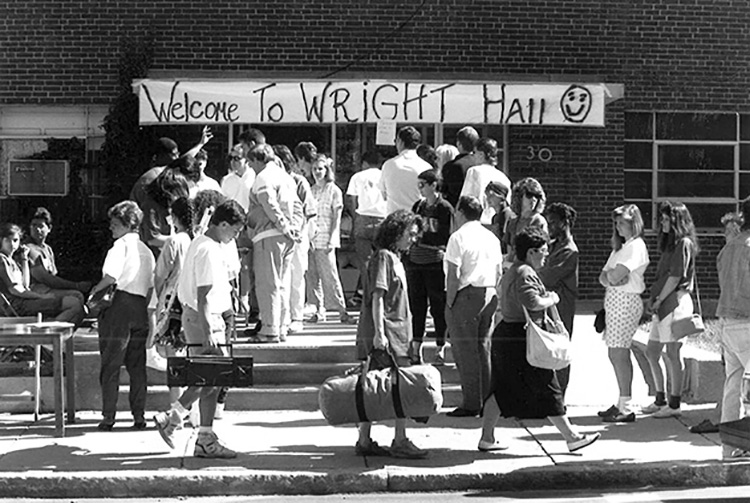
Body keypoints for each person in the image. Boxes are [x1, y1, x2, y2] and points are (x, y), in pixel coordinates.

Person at [479, 228, 600, 453]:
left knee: (502, 389)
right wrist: (552, 298)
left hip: (508, 335)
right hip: (521, 337)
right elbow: (532, 302)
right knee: (548, 385)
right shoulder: (524, 272)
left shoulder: (513, 270)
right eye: (543, 252)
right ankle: (572, 437)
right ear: (532, 252)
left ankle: (487, 438)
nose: (545, 257)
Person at [153, 200, 245, 459]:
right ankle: (174, 418)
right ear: (223, 224)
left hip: (203, 318)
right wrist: (207, 332)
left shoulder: (203, 244)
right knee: (212, 376)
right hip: (206, 320)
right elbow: (203, 296)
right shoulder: (207, 249)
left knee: (212, 379)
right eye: (234, 231)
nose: (235, 236)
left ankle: (202, 435)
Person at [355, 209, 427, 459]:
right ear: (397, 232)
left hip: (399, 332)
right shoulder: (383, 258)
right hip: (388, 333)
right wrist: (378, 333)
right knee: (395, 387)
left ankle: (365, 438)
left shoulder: (395, 259)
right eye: (411, 234)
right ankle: (399, 439)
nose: (413, 239)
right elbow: (377, 296)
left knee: (379, 386)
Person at [89, 201, 155, 431]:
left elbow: (110, 276)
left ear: (127, 224)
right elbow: (151, 284)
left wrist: (95, 292)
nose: (111, 228)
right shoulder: (147, 251)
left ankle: (109, 416)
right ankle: (139, 415)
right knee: (137, 366)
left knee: (111, 364)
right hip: (140, 306)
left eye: (115, 224)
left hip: (119, 307)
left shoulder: (119, 247)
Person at [444, 196, 502, 417]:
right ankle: (486, 400)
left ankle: (471, 403)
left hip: (466, 294)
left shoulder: (457, 237)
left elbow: (453, 274)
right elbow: (498, 272)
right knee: (483, 349)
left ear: (460, 212)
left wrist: (450, 302)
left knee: (465, 351)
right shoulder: (491, 237)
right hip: (489, 292)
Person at [641, 202, 698, 420]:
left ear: (677, 221)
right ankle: (660, 398)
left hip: (675, 302)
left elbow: (675, 277)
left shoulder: (683, 243)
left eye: (666, 219)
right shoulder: (669, 245)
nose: (662, 223)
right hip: (663, 302)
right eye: (662, 219)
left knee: (673, 353)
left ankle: (675, 403)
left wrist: (659, 300)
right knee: (652, 351)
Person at [597, 204, 650, 423]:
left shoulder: (636, 246)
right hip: (615, 301)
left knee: (619, 352)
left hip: (626, 302)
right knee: (614, 352)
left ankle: (626, 406)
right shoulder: (620, 247)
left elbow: (615, 275)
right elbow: (604, 277)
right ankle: (621, 401)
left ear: (633, 223)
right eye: (616, 223)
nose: (618, 227)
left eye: (623, 222)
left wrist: (613, 276)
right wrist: (613, 277)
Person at [245, 144, 300, 343]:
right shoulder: (286, 177)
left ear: (258, 160)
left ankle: (269, 331)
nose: (251, 167)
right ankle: (281, 327)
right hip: (287, 237)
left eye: (251, 162)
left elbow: (268, 202)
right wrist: (293, 228)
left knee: (268, 284)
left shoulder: (263, 177)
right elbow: (297, 205)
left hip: (268, 235)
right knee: (282, 284)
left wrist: (283, 225)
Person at [405, 169, 453, 365]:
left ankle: (440, 347)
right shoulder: (418, 206)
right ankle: (416, 347)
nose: (420, 189)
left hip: (434, 261)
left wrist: (426, 239)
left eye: (423, 185)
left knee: (437, 305)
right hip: (416, 261)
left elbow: (445, 236)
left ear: (434, 185)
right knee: (417, 305)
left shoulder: (445, 208)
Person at [150, 196, 194, 404]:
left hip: (173, 300)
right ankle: (191, 409)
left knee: (174, 357)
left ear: (175, 218)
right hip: (193, 300)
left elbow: (160, 274)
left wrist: (160, 298)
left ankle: (177, 405)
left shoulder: (174, 242)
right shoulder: (198, 240)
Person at [716, 196, 750, 460]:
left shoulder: (729, 248)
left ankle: (729, 448)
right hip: (747, 321)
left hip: (726, 320)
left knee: (732, 387)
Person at [0, 223, 84, 324]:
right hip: (17, 305)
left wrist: (24, 258)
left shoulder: (11, 260)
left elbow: (25, 285)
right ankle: (46, 331)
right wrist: (41, 297)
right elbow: (15, 290)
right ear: (1, 240)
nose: (12, 244)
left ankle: (48, 327)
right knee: (73, 304)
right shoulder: (2, 260)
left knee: (76, 304)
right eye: (7, 240)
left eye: (15, 240)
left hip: (25, 300)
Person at [273, 144, 316, 334]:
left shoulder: (298, 181)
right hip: (276, 237)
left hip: (297, 238)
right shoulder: (270, 181)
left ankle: (296, 317)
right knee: (280, 279)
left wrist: (297, 232)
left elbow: (309, 211)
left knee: (296, 277)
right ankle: (281, 317)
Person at [307, 154, 355, 325]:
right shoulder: (311, 190)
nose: (317, 172)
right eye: (314, 169)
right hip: (311, 239)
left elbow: (337, 215)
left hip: (326, 238)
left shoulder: (333, 190)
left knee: (330, 275)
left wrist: (333, 237)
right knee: (312, 276)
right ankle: (319, 309)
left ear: (327, 170)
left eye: (320, 169)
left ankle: (341, 310)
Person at [537, 202, 579, 396]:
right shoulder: (554, 246)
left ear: (566, 222)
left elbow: (546, 276)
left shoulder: (569, 251)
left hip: (561, 307)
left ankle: (559, 396)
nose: (550, 227)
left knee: (560, 349)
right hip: (549, 306)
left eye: (554, 223)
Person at [131, 127, 212, 209]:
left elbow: (183, 159)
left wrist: (201, 144)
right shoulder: (156, 176)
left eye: (178, 154)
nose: (177, 157)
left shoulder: (164, 172)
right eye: (174, 154)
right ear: (160, 156)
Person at [25, 207, 91, 309]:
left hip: (48, 289)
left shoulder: (48, 249)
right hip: (35, 291)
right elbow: (45, 278)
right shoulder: (29, 249)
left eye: (41, 226)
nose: (37, 229)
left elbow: (54, 274)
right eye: (33, 225)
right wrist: (76, 285)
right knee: (76, 295)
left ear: (49, 228)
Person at [345, 150, 387, 307]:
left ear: (364, 163)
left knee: (365, 262)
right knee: (382, 261)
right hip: (382, 218)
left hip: (363, 218)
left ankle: (368, 299)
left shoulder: (358, 177)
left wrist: (356, 217)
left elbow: (351, 199)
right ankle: (381, 296)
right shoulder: (384, 175)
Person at [138, 157, 192, 257]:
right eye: (178, 193)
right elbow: (153, 239)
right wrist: (182, 240)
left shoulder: (170, 205)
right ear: (167, 190)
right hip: (153, 258)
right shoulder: (151, 206)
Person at [379, 126, 432, 215]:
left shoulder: (389, 165)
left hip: (393, 219)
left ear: (400, 141)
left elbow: (383, 194)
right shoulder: (426, 167)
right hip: (417, 219)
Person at [459, 137, 511, 224]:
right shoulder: (504, 178)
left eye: (474, 153)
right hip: (498, 224)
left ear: (481, 155)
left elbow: (465, 200)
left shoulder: (474, 171)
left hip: (477, 223)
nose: (473, 156)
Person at [503, 177, 548, 266]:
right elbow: (510, 252)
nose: (533, 199)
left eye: (537, 196)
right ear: (519, 197)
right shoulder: (512, 222)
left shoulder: (539, 221)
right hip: (513, 268)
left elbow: (541, 252)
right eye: (529, 195)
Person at [441, 126, 479, 208]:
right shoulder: (480, 164)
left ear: (458, 143)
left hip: (458, 210)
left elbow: (446, 192)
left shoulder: (451, 167)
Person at [483, 181, 515, 252]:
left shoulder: (507, 214)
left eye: (491, 196)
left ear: (501, 196)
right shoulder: (495, 217)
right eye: (487, 196)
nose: (488, 199)